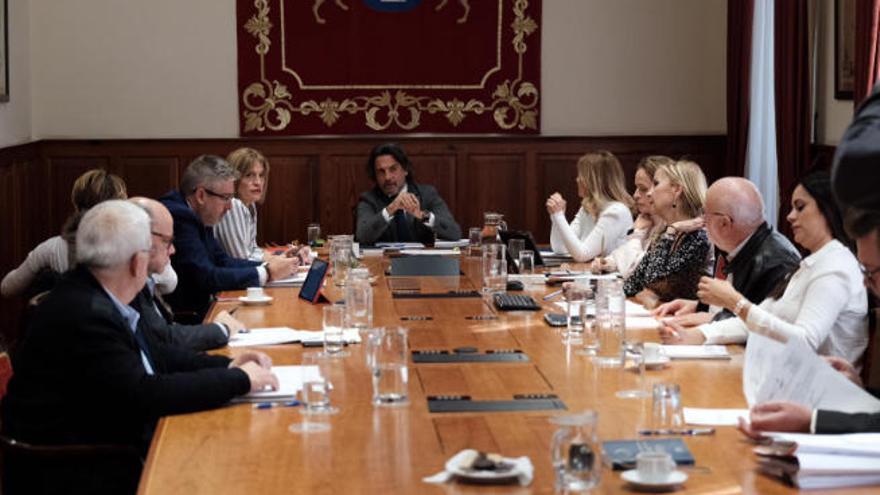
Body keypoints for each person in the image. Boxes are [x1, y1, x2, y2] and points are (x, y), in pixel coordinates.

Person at [0, 200, 277, 491]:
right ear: (136, 262)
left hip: (104, 443)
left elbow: (155, 355)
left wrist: (228, 365)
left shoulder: (100, 292)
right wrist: (239, 380)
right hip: (75, 469)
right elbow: (145, 394)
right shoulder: (87, 313)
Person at [740, 208, 880, 436]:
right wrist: (859, 390)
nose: (864, 283)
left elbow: (804, 339)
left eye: (871, 272)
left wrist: (813, 421)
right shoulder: (809, 264)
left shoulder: (835, 267)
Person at [652, 177, 801, 337]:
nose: (701, 220)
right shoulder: (741, 244)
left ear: (724, 223)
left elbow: (763, 326)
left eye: (705, 213)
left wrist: (714, 318)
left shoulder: (777, 263)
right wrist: (699, 307)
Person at [159, 155, 298, 317]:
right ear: (201, 196)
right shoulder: (179, 216)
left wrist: (270, 266)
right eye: (225, 198)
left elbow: (223, 261)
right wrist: (267, 273)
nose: (230, 207)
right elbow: (205, 277)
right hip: (186, 318)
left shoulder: (200, 214)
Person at [130, 197, 245, 351]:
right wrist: (222, 329)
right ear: (143, 238)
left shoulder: (144, 281)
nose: (173, 250)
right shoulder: (128, 289)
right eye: (167, 242)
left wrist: (231, 367)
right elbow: (165, 341)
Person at [1, 169, 130, 297]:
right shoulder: (134, 245)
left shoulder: (51, 249)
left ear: (76, 204)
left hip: (65, 316)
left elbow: (7, 288)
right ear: (119, 207)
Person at [622, 159, 711, 306]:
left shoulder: (697, 236)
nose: (650, 193)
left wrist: (671, 232)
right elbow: (632, 284)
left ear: (677, 190)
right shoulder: (665, 232)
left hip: (684, 324)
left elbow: (656, 286)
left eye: (656, 184)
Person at [355, 143, 461, 245]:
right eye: (381, 172)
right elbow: (362, 236)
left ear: (405, 170)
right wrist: (390, 209)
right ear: (375, 175)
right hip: (384, 261)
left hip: (422, 261)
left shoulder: (427, 194)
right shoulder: (368, 200)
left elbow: (454, 233)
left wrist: (422, 215)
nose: (387, 177)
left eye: (393, 169)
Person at [546, 150, 634, 262]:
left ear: (594, 180)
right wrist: (556, 217)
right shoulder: (587, 207)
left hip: (612, 278)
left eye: (581, 175)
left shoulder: (617, 212)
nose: (577, 179)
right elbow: (560, 248)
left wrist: (559, 216)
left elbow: (582, 255)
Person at [592, 155, 672, 277]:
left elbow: (637, 273)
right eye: (636, 188)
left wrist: (636, 233)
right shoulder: (647, 219)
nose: (635, 195)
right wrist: (608, 263)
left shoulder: (672, 228)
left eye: (643, 189)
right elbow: (623, 255)